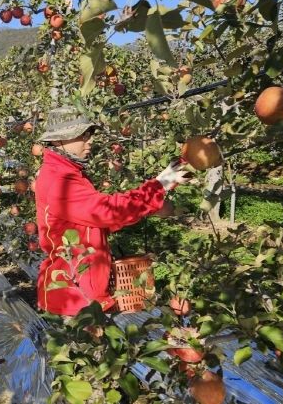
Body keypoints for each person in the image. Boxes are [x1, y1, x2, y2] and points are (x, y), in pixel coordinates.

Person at [34, 105, 191, 317]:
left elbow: (96, 222)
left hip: (81, 294)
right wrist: (158, 186)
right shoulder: (59, 180)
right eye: (80, 135)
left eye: (89, 134)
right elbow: (106, 212)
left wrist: (148, 204)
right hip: (74, 299)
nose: (89, 140)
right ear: (57, 141)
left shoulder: (67, 173)